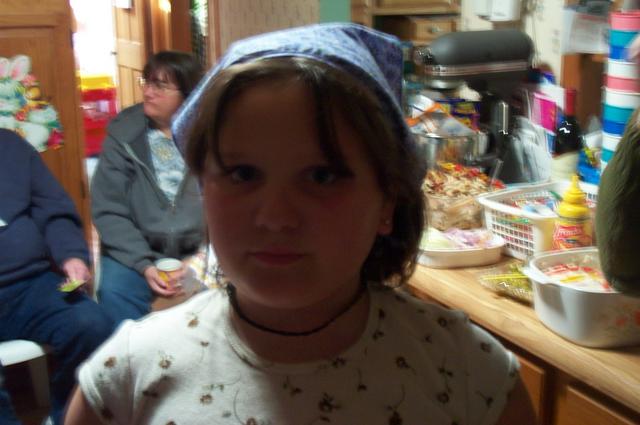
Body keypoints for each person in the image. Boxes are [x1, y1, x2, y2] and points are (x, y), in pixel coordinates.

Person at [65, 24, 536, 424]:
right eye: (242, 174)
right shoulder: (127, 378)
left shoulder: (471, 377)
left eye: (322, 176)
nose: (275, 217)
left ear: (387, 201)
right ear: (204, 188)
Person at [0, 129, 113, 425]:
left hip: (30, 284)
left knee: (91, 324)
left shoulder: (10, 145)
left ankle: (69, 416)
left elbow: (54, 209)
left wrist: (72, 255)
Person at [90, 51, 206, 325]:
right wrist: (143, 264)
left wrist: (202, 258)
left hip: (199, 248)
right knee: (114, 293)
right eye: (147, 82)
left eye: (160, 86)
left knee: (224, 297)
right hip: (137, 249)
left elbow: (232, 205)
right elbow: (108, 209)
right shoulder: (124, 134)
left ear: (188, 95)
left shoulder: (212, 136)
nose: (147, 92)